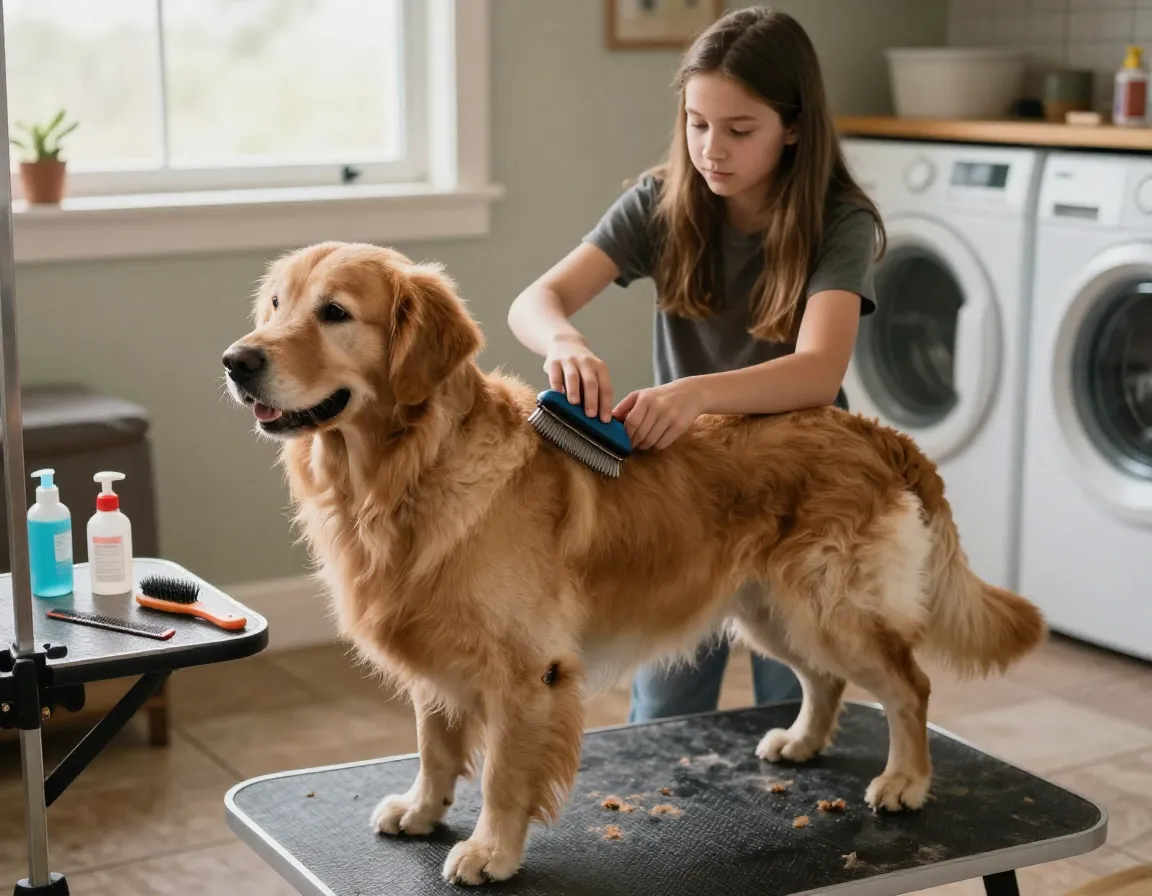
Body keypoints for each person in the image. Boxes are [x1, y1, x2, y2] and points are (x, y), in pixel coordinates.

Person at [506, 5, 886, 723]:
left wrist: (695, 395)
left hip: (792, 492)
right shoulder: (661, 202)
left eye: (740, 130)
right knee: (666, 704)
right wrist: (563, 341)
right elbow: (538, 298)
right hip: (682, 488)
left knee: (799, 690)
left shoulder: (841, 223)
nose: (712, 148)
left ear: (794, 126)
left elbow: (819, 372)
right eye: (697, 123)